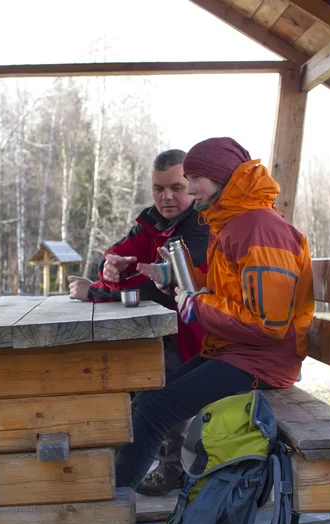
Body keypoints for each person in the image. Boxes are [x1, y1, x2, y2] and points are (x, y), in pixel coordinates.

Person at [115, 137, 314, 490]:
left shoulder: (260, 228)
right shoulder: (233, 223)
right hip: (236, 352)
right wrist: (177, 277)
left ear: (221, 177)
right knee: (147, 399)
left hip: (261, 364)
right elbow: (230, 290)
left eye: (195, 179)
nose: (190, 189)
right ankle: (113, 494)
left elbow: (268, 323)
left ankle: (111, 502)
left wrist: (199, 306)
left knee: (154, 409)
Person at [68, 149, 209, 495]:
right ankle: (101, 468)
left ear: (191, 185)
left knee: (153, 382)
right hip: (161, 333)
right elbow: (121, 255)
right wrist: (109, 269)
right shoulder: (151, 221)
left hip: (198, 340)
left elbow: (157, 289)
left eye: (176, 187)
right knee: (105, 369)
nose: (167, 197)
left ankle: (161, 471)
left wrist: (100, 293)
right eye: (158, 189)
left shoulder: (201, 228)